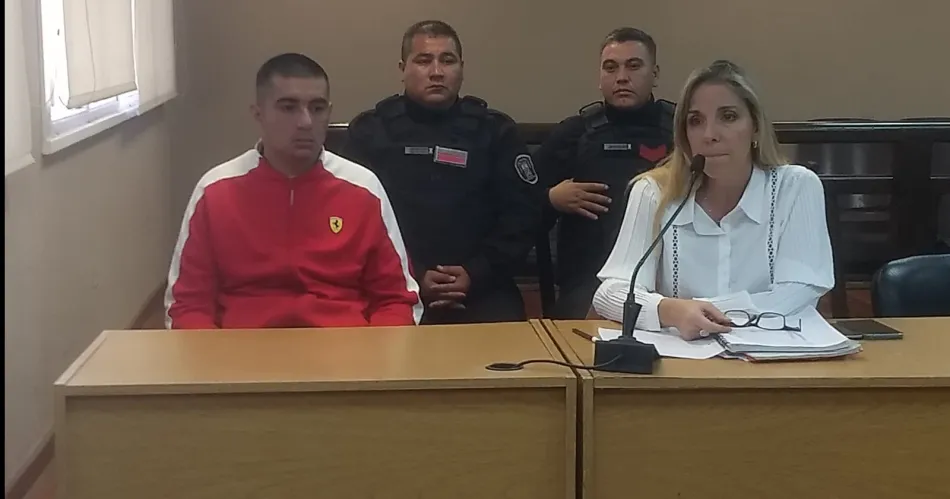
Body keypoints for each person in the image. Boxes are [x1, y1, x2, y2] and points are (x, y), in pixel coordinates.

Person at [165, 53, 423, 329]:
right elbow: (187, 305)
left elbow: (397, 299)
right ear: (258, 114)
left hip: (344, 345)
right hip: (242, 346)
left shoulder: (364, 189)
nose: (306, 122)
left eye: (317, 108)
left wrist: (374, 353)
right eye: (288, 108)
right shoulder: (215, 191)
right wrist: (215, 355)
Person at [592, 60, 834, 340]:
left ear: (755, 127)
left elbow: (800, 291)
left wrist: (703, 312)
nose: (709, 135)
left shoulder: (795, 187)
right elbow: (610, 293)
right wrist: (670, 311)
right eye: (696, 121)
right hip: (682, 358)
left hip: (771, 356)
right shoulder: (653, 191)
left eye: (728, 117)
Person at [342, 20, 541, 324]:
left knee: (509, 348)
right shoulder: (369, 132)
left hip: (484, 285)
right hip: (392, 284)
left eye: (447, 60)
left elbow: (522, 216)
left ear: (462, 68)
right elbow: (352, 219)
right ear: (403, 68)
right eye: (424, 60)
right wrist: (415, 273)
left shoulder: (495, 131)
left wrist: (476, 272)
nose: (437, 72)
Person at [533, 27, 675, 319]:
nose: (622, 77)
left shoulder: (682, 131)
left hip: (669, 279)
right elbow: (517, 204)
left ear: (655, 74)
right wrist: (551, 199)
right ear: (600, 77)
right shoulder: (575, 133)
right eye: (611, 68)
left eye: (633, 66)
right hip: (588, 281)